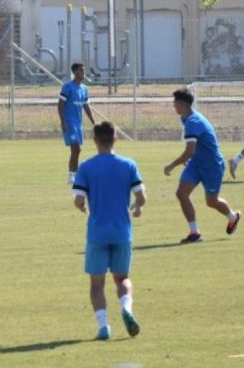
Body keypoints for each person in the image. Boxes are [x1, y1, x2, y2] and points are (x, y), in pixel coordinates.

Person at [72, 121, 145, 341]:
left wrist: (83, 206)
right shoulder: (128, 165)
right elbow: (141, 196)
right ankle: (127, 308)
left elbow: (78, 199)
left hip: (97, 232)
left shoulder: (86, 167)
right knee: (122, 278)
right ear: (115, 139)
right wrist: (138, 206)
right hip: (122, 231)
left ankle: (104, 327)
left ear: (94, 140)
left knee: (97, 283)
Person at [165, 89, 241, 243]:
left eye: (175, 103)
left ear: (182, 104)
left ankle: (233, 217)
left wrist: (172, 165)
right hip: (196, 163)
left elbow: (189, 151)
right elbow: (193, 149)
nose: (173, 106)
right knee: (181, 193)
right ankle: (195, 232)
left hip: (212, 165)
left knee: (211, 202)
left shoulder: (193, 122)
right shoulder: (185, 118)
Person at [58, 62, 96, 184]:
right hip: (70, 123)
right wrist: (63, 122)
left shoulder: (84, 89)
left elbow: (86, 106)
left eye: (84, 70)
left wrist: (93, 122)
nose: (83, 73)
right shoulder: (67, 87)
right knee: (77, 149)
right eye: (81, 71)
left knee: (77, 150)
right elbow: (60, 105)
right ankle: (72, 176)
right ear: (74, 72)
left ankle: (73, 175)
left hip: (78, 124)